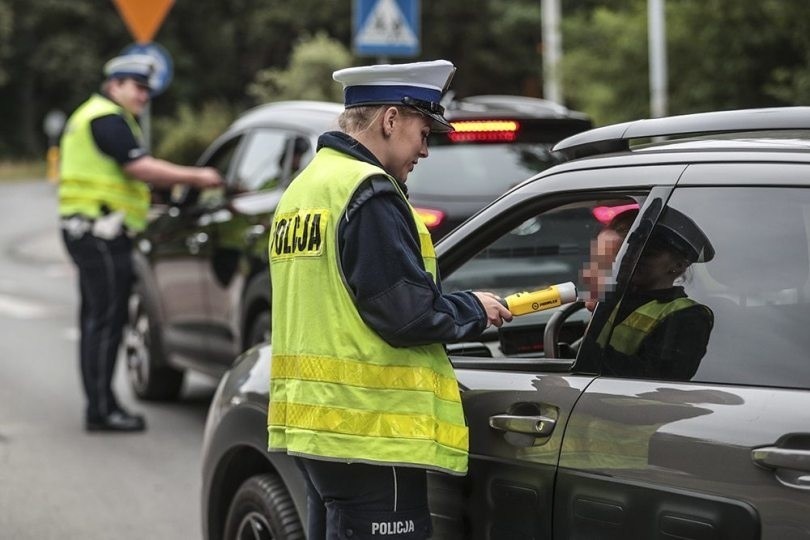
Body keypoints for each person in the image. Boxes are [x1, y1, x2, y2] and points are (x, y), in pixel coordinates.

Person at [267, 59, 512, 539]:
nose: (424, 149)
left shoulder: (305, 188)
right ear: (391, 120)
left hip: (316, 425)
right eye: (424, 132)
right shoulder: (369, 193)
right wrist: (474, 309)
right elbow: (405, 314)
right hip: (370, 432)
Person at [59, 54, 223, 432]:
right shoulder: (106, 117)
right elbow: (139, 167)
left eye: (148, 91)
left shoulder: (94, 115)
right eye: (138, 88)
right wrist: (196, 177)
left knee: (96, 321)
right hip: (101, 233)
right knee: (105, 322)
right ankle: (102, 410)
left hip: (90, 230)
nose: (144, 97)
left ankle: (100, 405)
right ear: (115, 85)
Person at [595, 207, 715, 380]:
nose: (632, 259)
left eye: (647, 254)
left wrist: (593, 353)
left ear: (679, 266)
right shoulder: (612, 299)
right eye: (628, 251)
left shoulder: (689, 316)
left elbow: (660, 376)